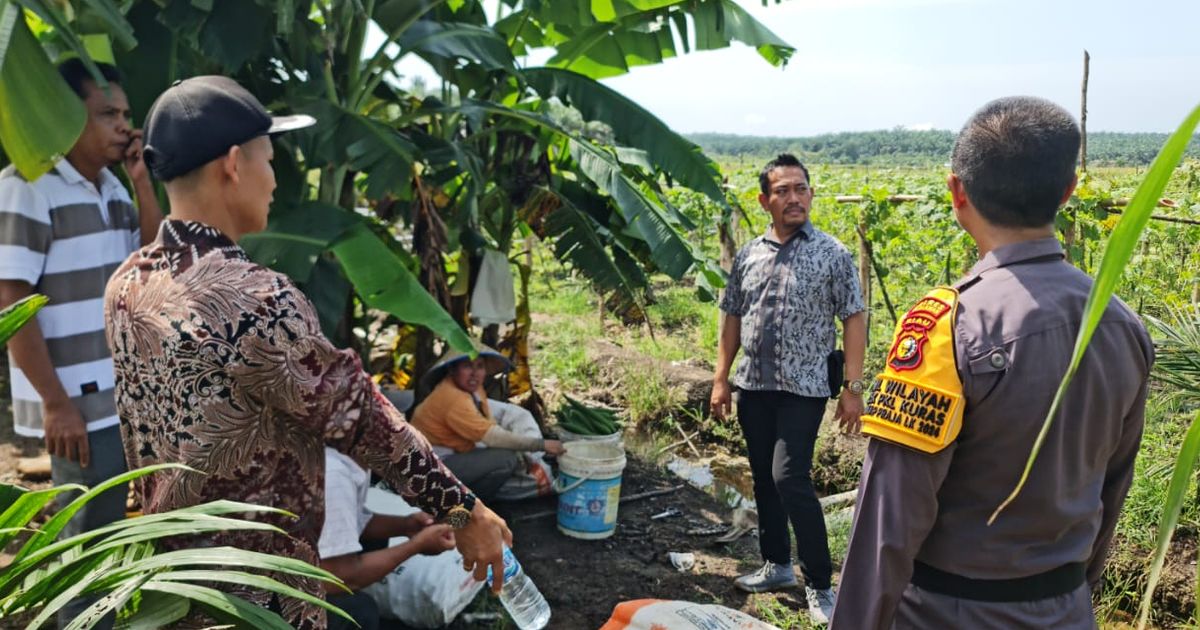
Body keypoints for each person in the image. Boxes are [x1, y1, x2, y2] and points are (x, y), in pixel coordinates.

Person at [103, 75, 510, 629]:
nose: (273, 180)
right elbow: (362, 419)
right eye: (268, 161)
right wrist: (464, 510)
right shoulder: (253, 297)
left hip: (174, 587)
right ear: (232, 163)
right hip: (258, 602)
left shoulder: (126, 286)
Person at [830, 96, 1154, 629]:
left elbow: (889, 518)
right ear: (1069, 191)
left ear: (957, 191)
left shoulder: (946, 327)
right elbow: (1112, 488)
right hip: (1067, 609)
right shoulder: (1122, 325)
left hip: (947, 614)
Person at [0, 59, 163, 628]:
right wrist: (54, 402)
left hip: (115, 390)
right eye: (107, 114)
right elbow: (10, 298)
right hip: (73, 395)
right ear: (66, 117)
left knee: (104, 522)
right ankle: (77, 619)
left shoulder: (113, 188)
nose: (124, 126)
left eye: (126, 115)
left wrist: (143, 182)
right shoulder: (27, 187)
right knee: (83, 529)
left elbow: (152, 262)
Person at [709, 153, 866, 624]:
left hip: (805, 387)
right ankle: (777, 565)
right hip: (754, 385)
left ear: (811, 195)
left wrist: (853, 387)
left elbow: (854, 317)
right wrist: (721, 378)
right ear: (765, 200)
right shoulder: (749, 254)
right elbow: (732, 315)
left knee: (789, 476)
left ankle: (820, 583)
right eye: (783, 191)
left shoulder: (832, 254)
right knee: (762, 478)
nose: (793, 198)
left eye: (801, 189)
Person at [319, 447, 457, 630]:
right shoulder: (335, 474)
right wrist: (416, 545)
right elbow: (340, 577)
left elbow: (354, 522)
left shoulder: (353, 458)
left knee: (375, 543)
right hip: (277, 590)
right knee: (358, 611)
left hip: (303, 556)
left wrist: (407, 525)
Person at [409, 345, 565, 503]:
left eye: (480, 366)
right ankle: (466, 505)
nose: (474, 373)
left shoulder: (474, 390)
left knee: (509, 455)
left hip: (450, 455)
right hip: (429, 468)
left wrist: (524, 449)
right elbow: (492, 437)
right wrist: (541, 445)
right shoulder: (452, 398)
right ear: (452, 370)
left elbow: (488, 425)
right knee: (506, 459)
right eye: (467, 366)